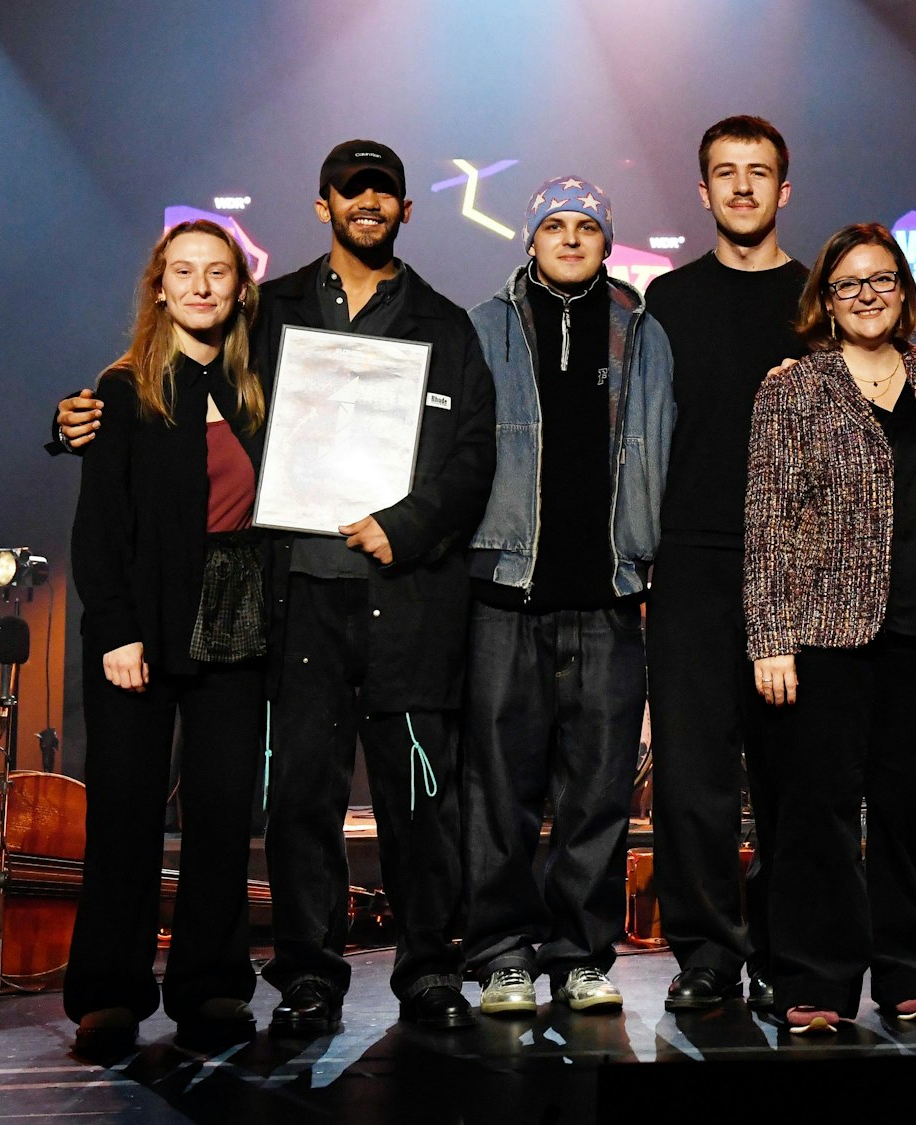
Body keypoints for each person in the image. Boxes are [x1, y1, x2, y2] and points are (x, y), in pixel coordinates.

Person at [57, 141, 498, 1034]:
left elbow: (472, 454)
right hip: (235, 605)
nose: (204, 288)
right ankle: (211, 983)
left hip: (340, 600)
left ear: (407, 209)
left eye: (384, 192)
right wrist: (73, 418)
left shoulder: (424, 327)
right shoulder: (246, 327)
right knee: (237, 806)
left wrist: (403, 526)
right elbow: (129, 449)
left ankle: (330, 976)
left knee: (303, 807)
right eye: (351, 189)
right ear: (323, 203)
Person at [744, 223, 916, 1034]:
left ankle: (911, 968)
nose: (868, 294)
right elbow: (769, 520)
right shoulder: (793, 387)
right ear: (826, 301)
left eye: (882, 280)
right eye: (849, 283)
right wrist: (769, 635)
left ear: (905, 291)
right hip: (826, 636)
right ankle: (817, 977)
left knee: (910, 809)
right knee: (820, 814)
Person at [460, 176, 673, 1016]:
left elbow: (662, 445)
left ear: (607, 240)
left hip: (611, 593)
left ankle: (583, 954)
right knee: (499, 791)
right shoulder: (485, 327)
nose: (572, 237)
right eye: (556, 224)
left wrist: (648, 552)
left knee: (599, 790)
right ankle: (503, 953)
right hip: (506, 593)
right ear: (531, 237)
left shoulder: (642, 331)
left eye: (588, 225)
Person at [66, 220, 268, 1049]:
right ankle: (110, 992)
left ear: (238, 288)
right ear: (159, 287)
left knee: (224, 810)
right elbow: (99, 524)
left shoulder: (261, 388)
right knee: (126, 810)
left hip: (239, 618)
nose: (200, 286)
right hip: (141, 626)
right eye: (183, 272)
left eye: (217, 273)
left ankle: (212, 984)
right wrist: (116, 628)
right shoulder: (121, 390)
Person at [644, 116, 807, 1011]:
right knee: (693, 775)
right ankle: (707, 953)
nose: (742, 188)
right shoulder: (666, 299)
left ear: (785, 191)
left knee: (794, 775)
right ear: (702, 191)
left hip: (799, 568)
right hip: (692, 558)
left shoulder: (822, 297)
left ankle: (791, 953)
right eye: (725, 174)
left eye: (759, 173)